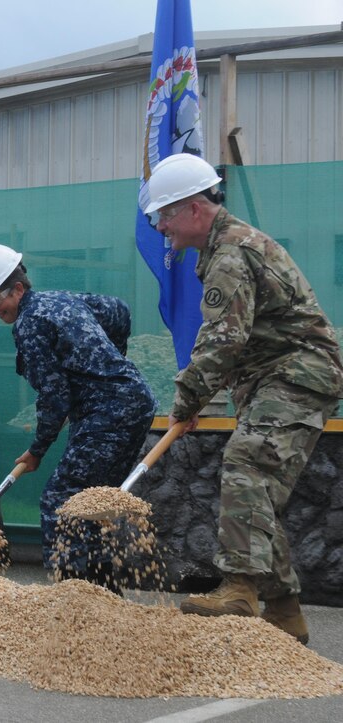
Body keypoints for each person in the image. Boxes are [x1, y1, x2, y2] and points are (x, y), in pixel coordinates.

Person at [145, 153, 343, 643]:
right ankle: (284, 612)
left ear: (194, 209)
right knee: (259, 493)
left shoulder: (231, 254)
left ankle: (238, 589)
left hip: (298, 373)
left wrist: (187, 399)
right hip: (270, 377)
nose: (161, 226)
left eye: (165, 215)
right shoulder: (221, 247)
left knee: (247, 464)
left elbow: (223, 340)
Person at [0, 244, 156, 590]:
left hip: (107, 413)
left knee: (61, 500)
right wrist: (108, 363)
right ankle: (101, 590)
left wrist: (38, 449)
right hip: (134, 400)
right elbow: (119, 311)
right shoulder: (60, 300)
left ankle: (71, 596)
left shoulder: (29, 323)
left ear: (18, 289)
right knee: (96, 498)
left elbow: (54, 396)